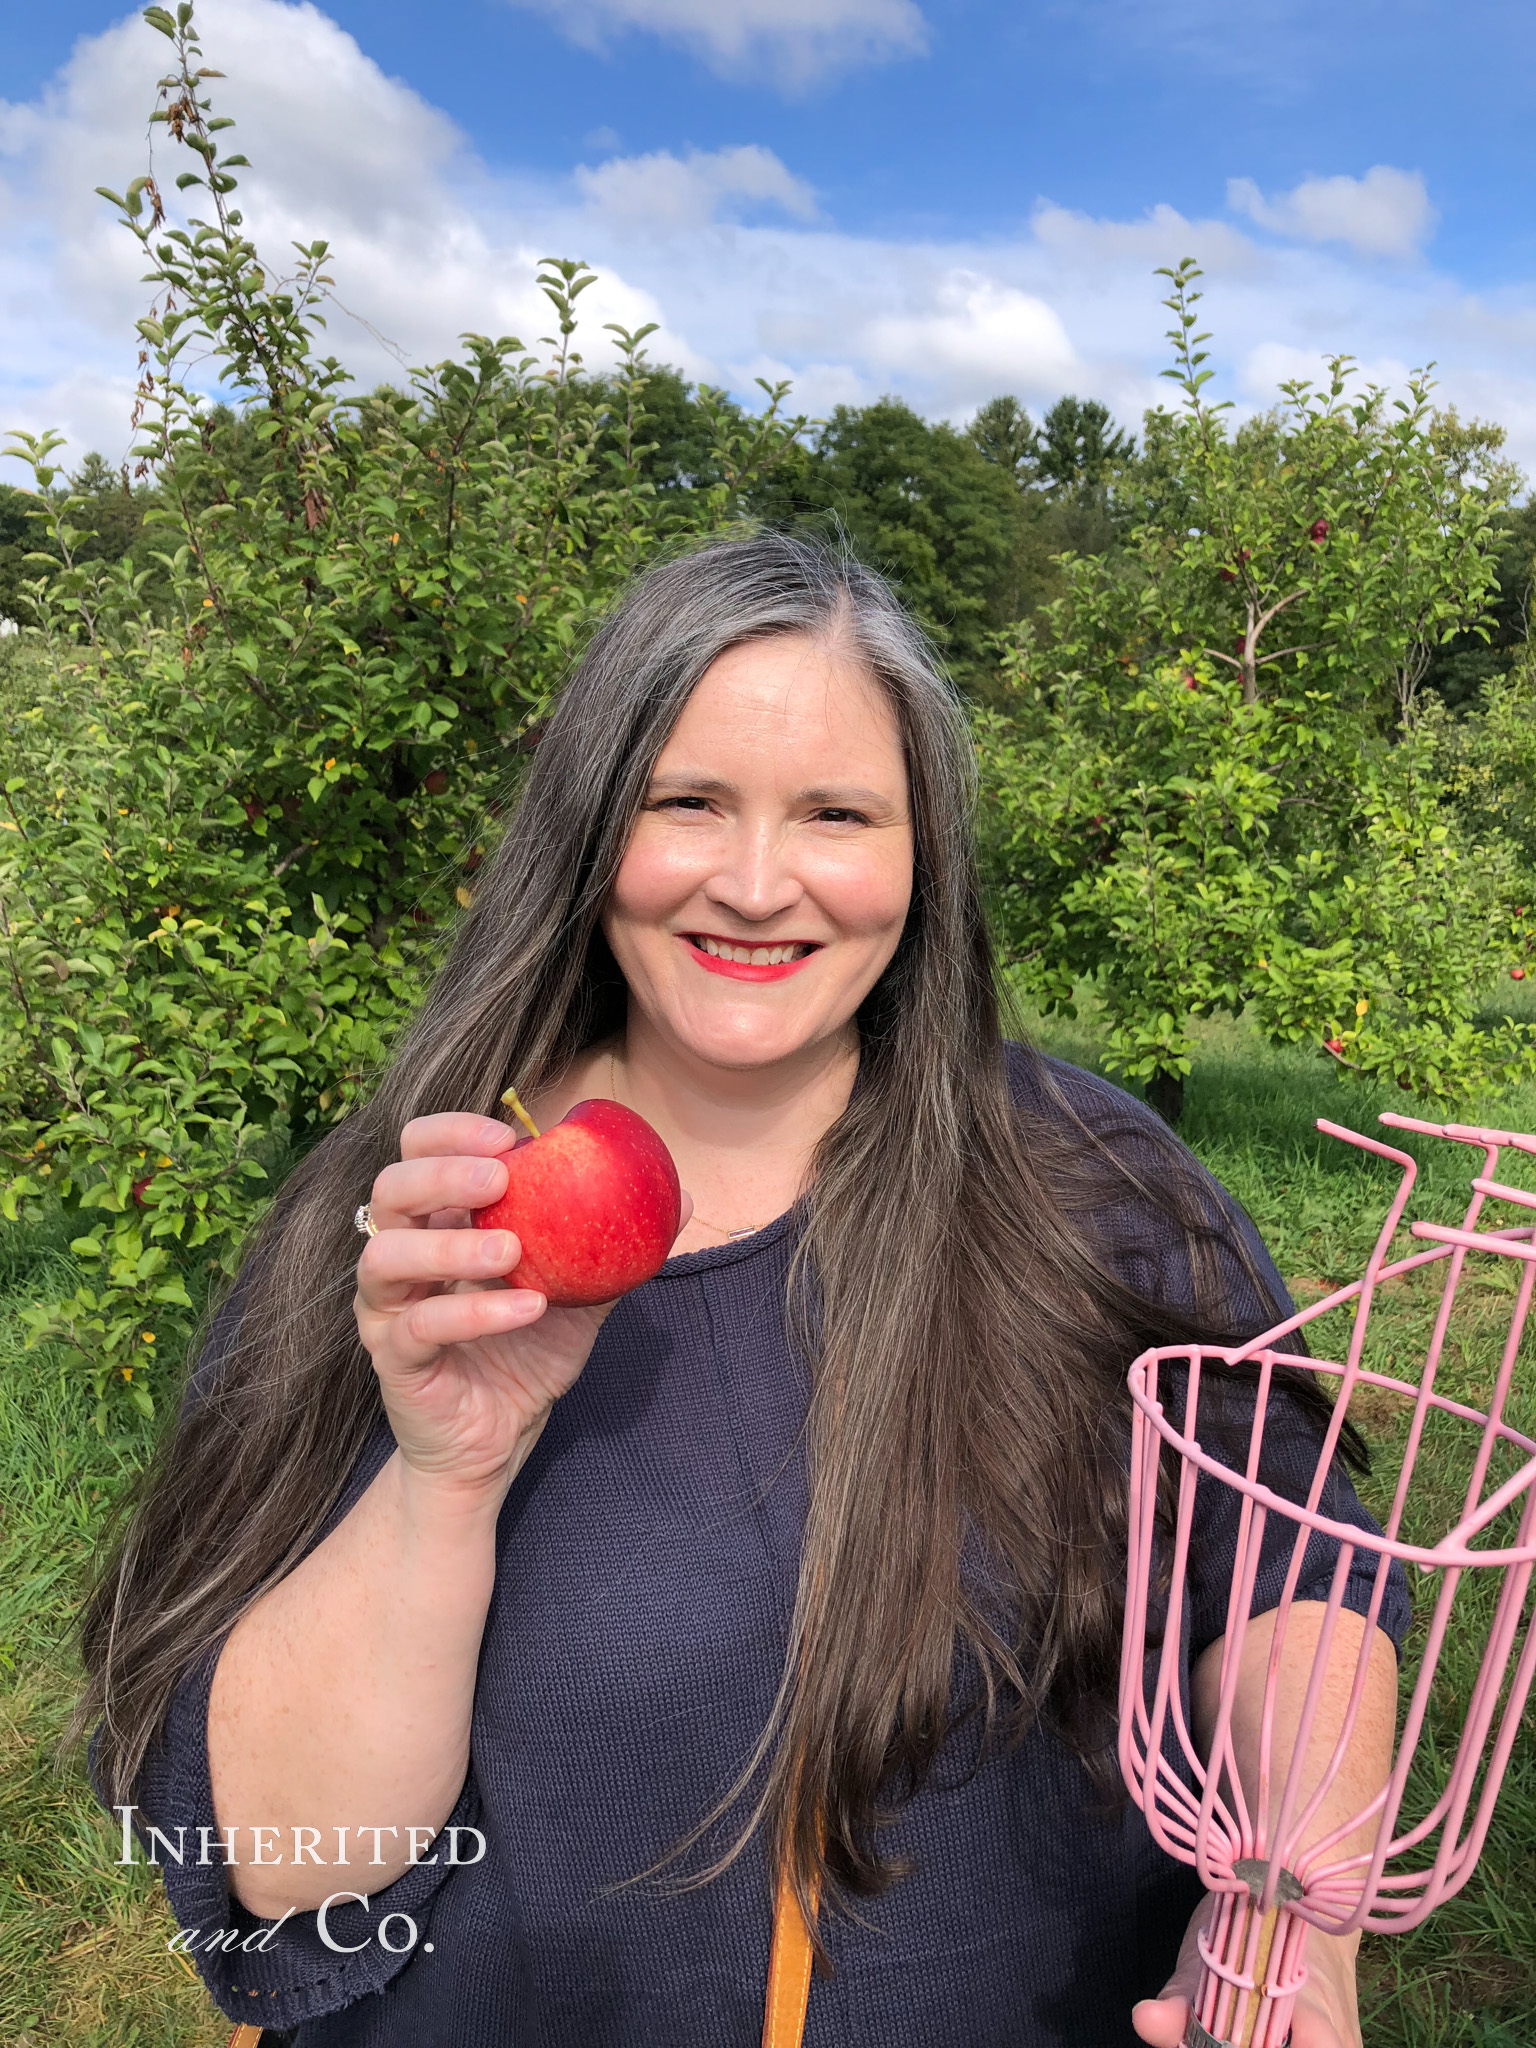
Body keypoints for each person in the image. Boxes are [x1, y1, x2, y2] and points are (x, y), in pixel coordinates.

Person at [82, 532, 1406, 2047]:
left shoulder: (1095, 1184)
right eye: (689, 802)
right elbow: (283, 1870)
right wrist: (442, 1477)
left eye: (836, 812)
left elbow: (1293, 1569)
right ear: (593, 830)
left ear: (924, 854)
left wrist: (1301, 1912)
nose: (760, 885)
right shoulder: (418, 1234)